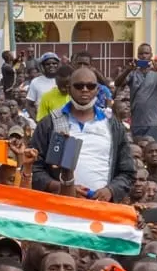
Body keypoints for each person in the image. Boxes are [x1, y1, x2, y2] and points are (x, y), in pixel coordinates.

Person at [30, 66, 135, 202]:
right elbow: (35, 167)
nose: (85, 90)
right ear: (69, 89)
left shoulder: (112, 125)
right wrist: (61, 187)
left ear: (97, 90)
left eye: (90, 86)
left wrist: (111, 190)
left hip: (101, 207)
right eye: (79, 86)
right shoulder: (49, 123)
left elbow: (127, 171)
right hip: (60, 206)